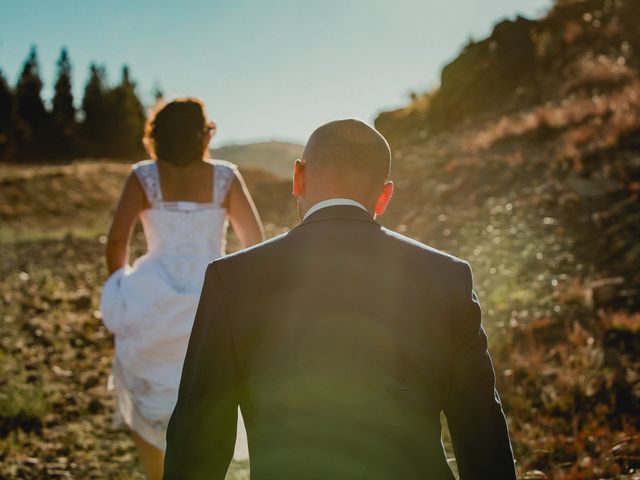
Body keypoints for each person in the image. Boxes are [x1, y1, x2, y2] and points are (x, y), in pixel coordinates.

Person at [164, 119, 516, 479]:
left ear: (298, 178)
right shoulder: (447, 276)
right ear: (384, 195)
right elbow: (480, 432)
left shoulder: (232, 278)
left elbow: (197, 440)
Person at [100, 98, 264, 480]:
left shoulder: (143, 177)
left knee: (150, 396)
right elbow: (253, 240)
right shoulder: (225, 177)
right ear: (204, 133)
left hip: (151, 296)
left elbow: (115, 242)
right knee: (211, 393)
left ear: (155, 135)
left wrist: (120, 286)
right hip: (213, 294)